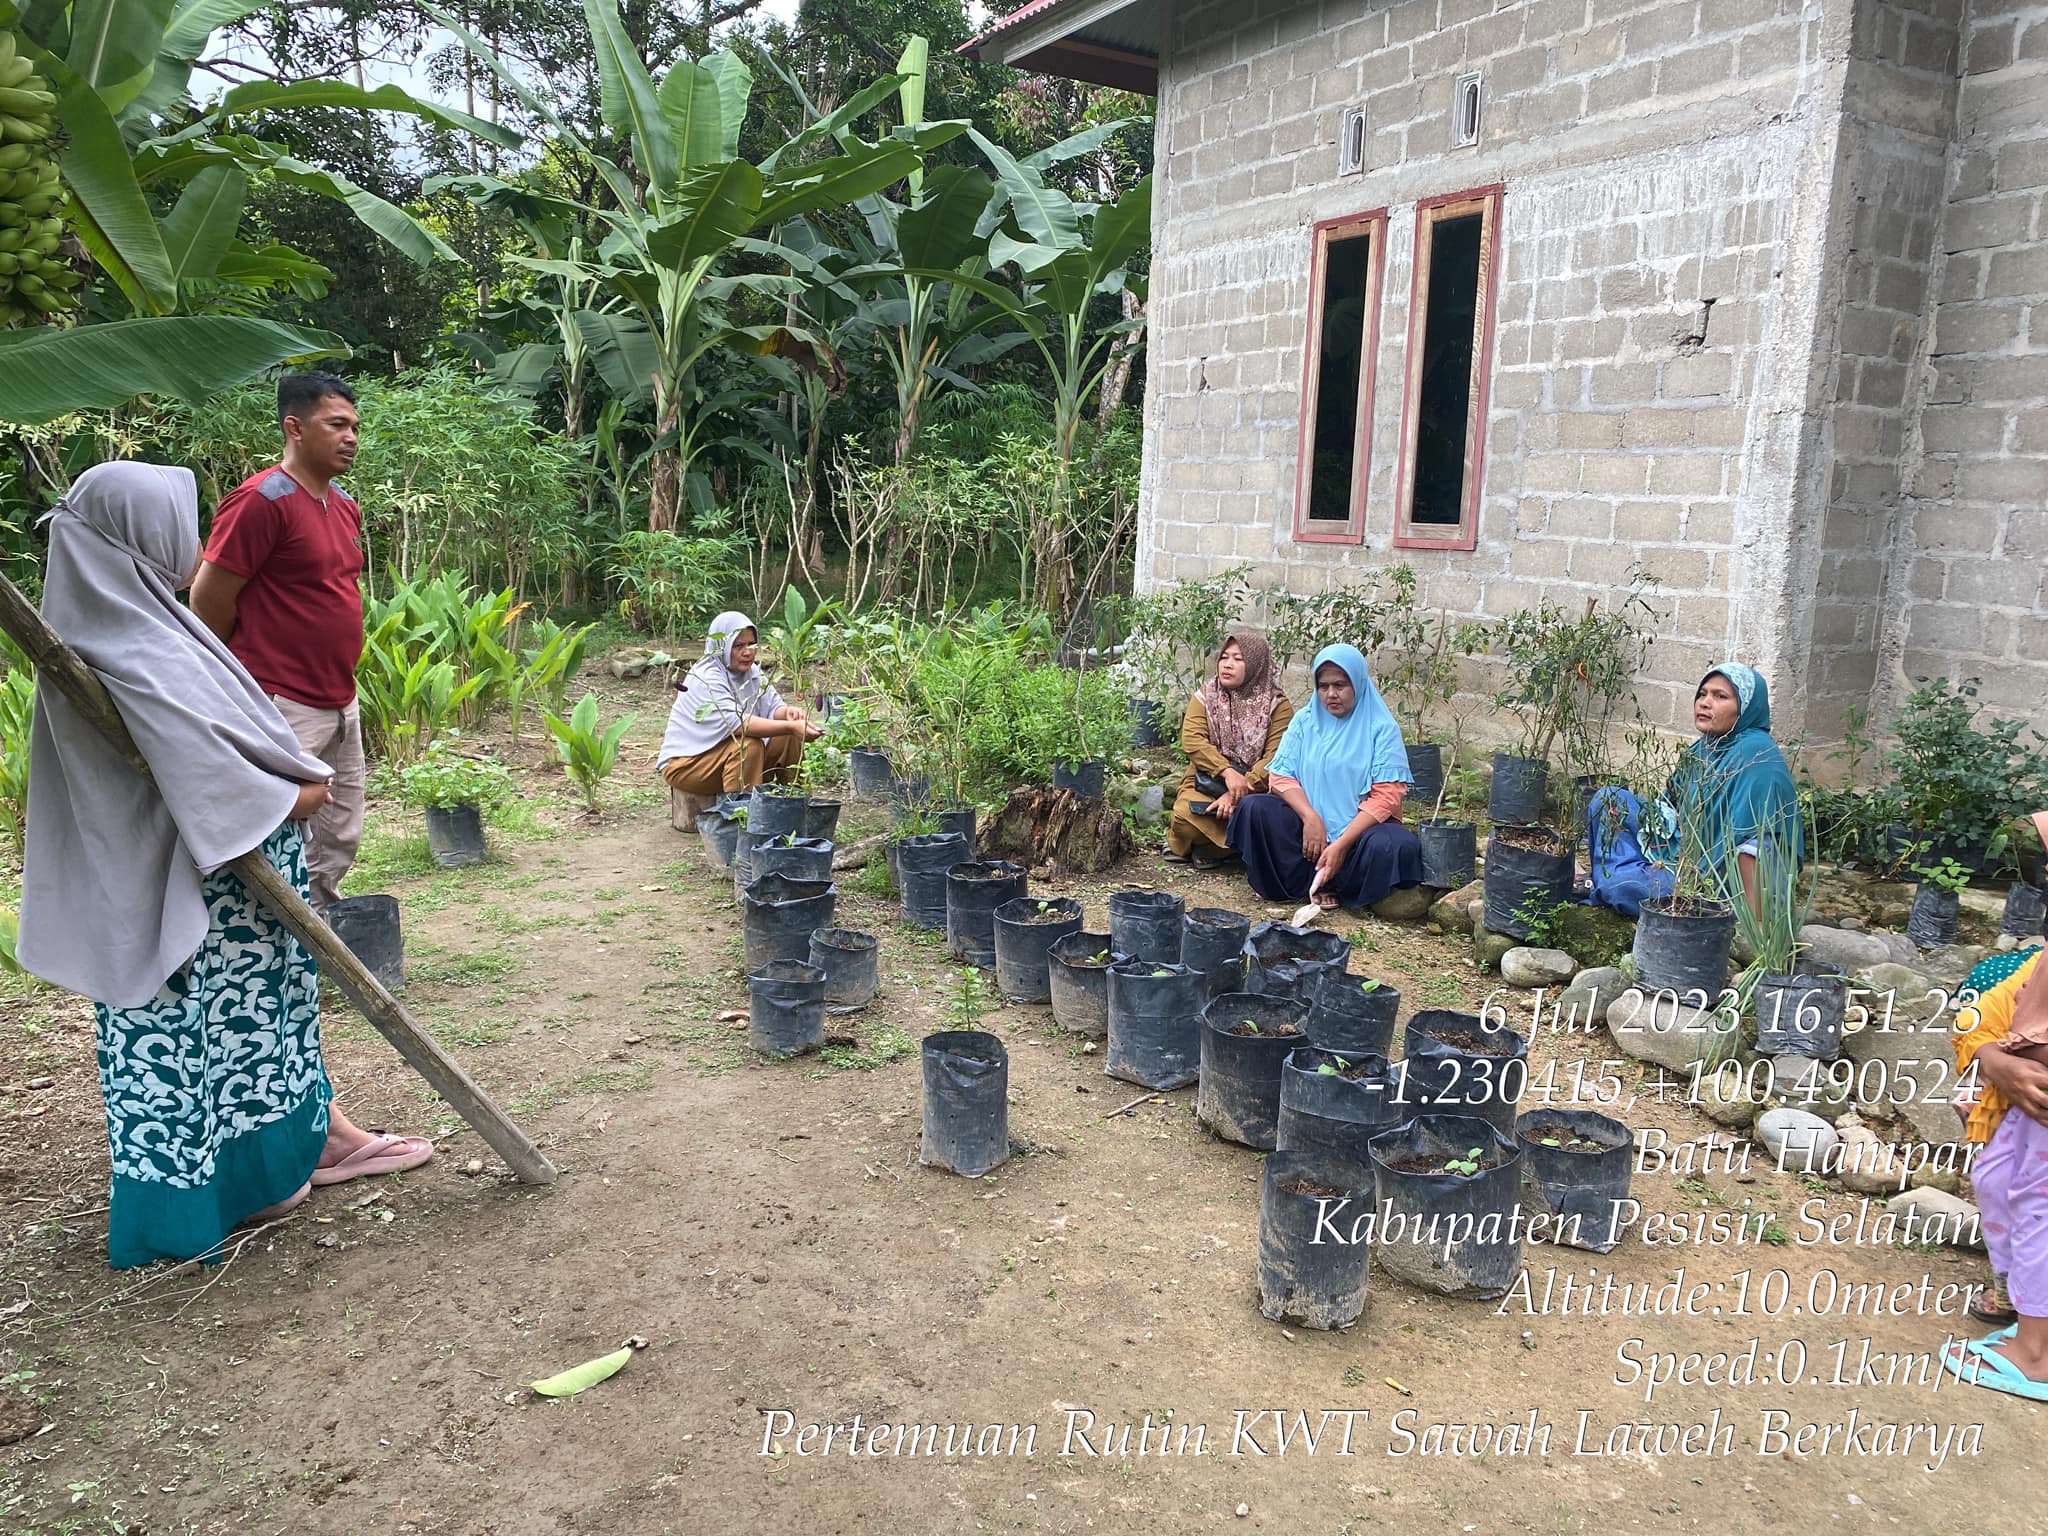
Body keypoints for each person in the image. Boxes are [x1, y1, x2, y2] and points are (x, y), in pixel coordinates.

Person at [17, 464, 357, 1265]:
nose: (192, 543)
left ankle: (267, 1178)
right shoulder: (126, 644)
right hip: (196, 894)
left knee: (247, 1039)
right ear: (137, 535)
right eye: (179, 524)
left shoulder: (149, 625)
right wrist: (297, 796)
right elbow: (206, 777)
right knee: (187, 1044)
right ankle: (193, 1207)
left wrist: (286, 782)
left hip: (229, 903)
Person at [190, 374, 433, 1188]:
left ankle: (305, 945)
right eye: (337, 424)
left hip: (338, 696)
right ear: (294, 427)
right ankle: (275, 944)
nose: (352, 437)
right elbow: (209, 601)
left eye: (357, 424)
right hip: (280, 701)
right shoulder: (259, 501)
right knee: (279, 833)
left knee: (340, 832)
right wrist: (243, 695)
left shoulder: (342, 506)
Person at [1946, 814, 2048, 1401]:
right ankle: (2023, 1302)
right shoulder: (2033, 964)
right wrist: (1990, 1056)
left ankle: (2034, 1354)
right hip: (2019, 1112)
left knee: (2038, 1208)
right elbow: (1982, 1009)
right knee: (1996, 1180)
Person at [1586, 663, 1799, 918]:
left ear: (1746, 708)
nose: (1705, 703)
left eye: (1720, 696)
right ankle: (1624, 874)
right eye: (1702, 694)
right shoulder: (1705, 748)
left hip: (1708, 881)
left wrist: (1757, 925)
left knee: (1621, 887)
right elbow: (1670, 808)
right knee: (1610, 798)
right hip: (1680, 851)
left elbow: (1757, 843)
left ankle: (1617, 879)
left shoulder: (1756, 758)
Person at [1226, 644, 1422, 908]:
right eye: (1323, 686)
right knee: (1254, 807)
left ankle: (1338, 885)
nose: (1331, 694)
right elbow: (1280, 776)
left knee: (1395, 844)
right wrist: (1310, 817)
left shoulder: (1381, 729)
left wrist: (1341, 844)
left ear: (1358, 683)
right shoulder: (1305, 721)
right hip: (1307, 835)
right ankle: (1299, 883)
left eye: (1340, 685)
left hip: (1356, 838)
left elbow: (1386, 796)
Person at [658, 610, 822, 812]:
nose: (747, 652)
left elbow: (773, 707)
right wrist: (790, 725)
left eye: (751, 644)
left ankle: (800, 807)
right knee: (747, 745)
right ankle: (744, 819)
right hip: (688, 764)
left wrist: (789, 713)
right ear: (722, 647)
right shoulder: (706, 677)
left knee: (788, 737)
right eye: (738, 646)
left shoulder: (751, 672)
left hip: (728, 760)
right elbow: (738, 724)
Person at [1165, 632, 1294, 864]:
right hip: (1207, 782)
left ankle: (1218, 848)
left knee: (1253, 818)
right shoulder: (1206, 696)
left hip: (1257, 790)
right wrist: (1227, 772)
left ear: (1256, 665)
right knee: (1184, 817)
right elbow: (1193, 740)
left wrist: (1238, 792)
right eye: (1224, 657)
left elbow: (1277, 757)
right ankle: (1230, 848)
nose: (1228, 664)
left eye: (1238, 659)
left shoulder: (1278, 707)